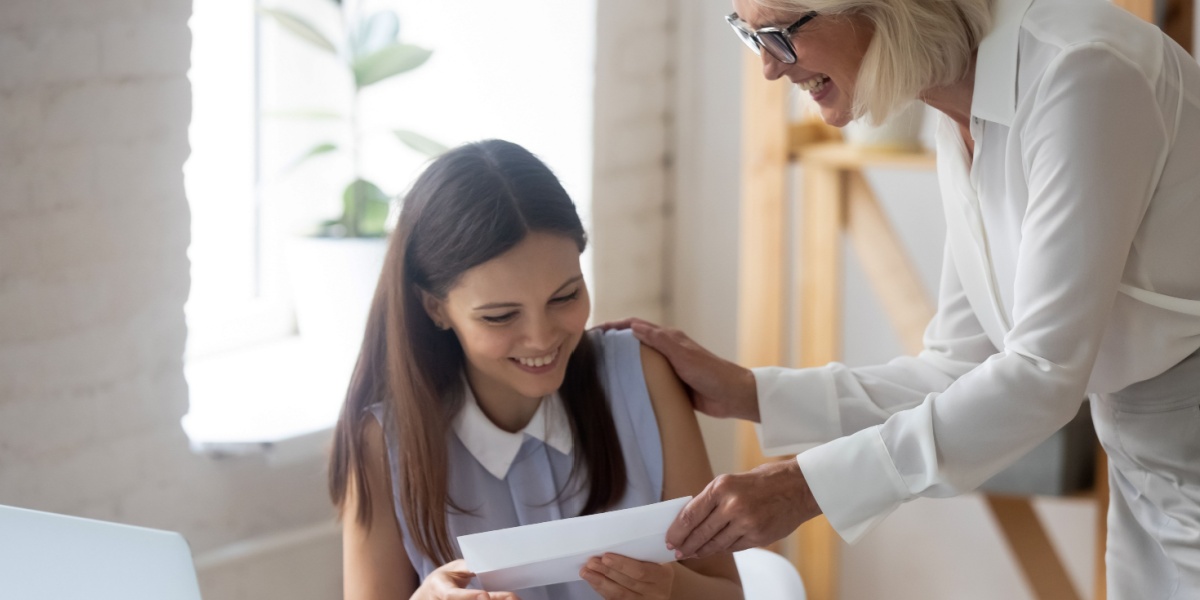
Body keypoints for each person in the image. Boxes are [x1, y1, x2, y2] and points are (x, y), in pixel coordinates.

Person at [613, 0, 1200, 597]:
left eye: (781, 34)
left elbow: (1041, 375)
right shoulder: (961, 102)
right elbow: (957, 366)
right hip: (1143, 461)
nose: (768, 66)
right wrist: (750, 393)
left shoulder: (1079, 72)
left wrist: (804, 486)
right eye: (749, 34)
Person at [327, 139, 743, 600]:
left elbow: (727, 592)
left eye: (565, 297)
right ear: (435, 308)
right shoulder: (381, 444)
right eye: (501, 316)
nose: (542, 338)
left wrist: (669, 589)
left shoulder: (643, 377)